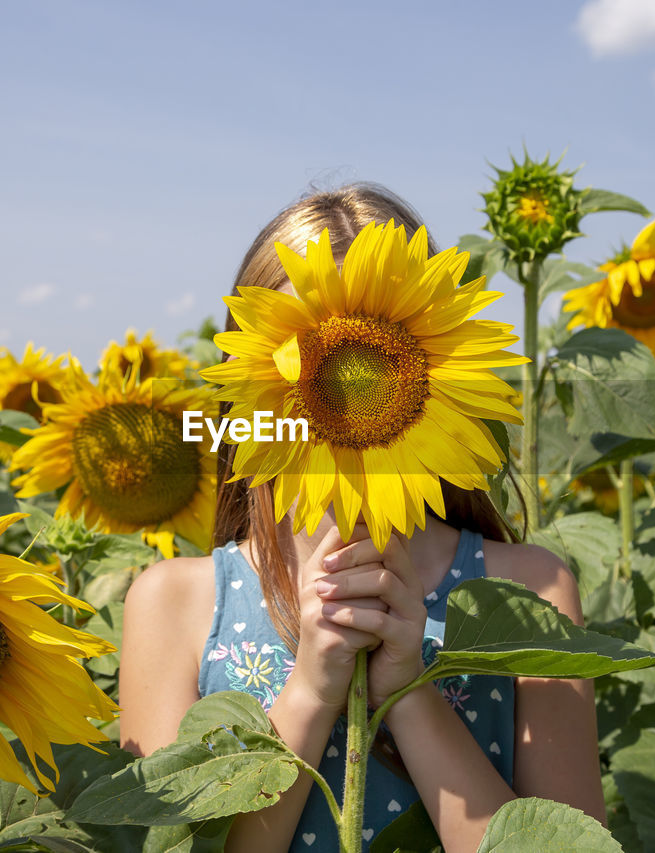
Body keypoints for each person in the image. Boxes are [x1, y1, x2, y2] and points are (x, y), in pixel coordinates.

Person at [120, 184, 604, 853]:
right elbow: (178, 843)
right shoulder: (174, 602)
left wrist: (408, 690)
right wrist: (311, 692)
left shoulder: (530, 592)